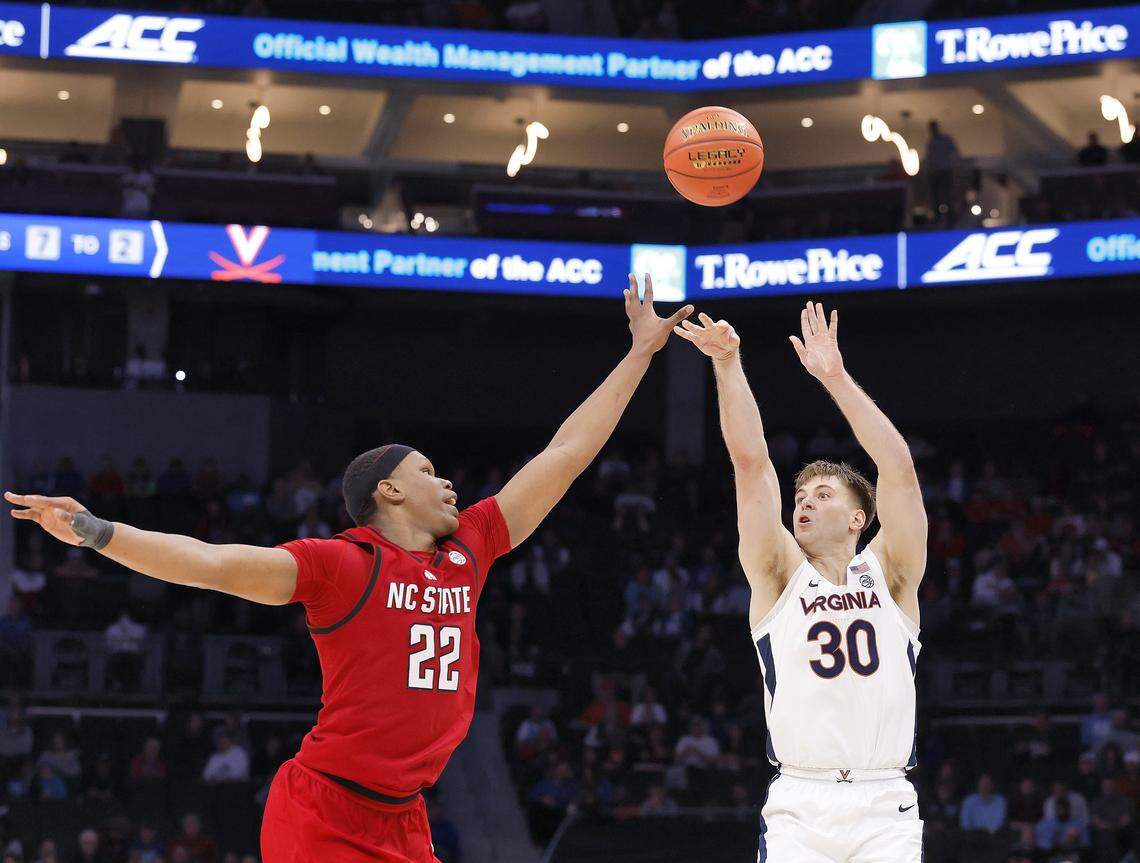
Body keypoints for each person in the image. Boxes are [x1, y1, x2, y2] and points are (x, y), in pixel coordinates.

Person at [5, 275, 692, 863]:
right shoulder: (341, 563)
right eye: (427, 470)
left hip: (404, 813)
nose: (449, 482)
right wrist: (97, 530)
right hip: (325, 809)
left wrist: (639, 353)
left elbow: (567, 452)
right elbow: (211, 564)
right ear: (387, 491)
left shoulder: (471, 547)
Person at [674, 301, 927, 862]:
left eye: (823, 496)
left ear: (860, 518)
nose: (805, 505)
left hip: (885, 803)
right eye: (801, 498)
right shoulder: (779, 576)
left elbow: (899, 468)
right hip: (800, 805)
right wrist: (728, 363)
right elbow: (750, 463)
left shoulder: (892, 572)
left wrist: (834, 378)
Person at [925, 121, 960, 224]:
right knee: (936, 197)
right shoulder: (930, 143)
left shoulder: (946, 140)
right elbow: (929, 159)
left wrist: (955, 167)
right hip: (935, 173)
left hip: (945, 172)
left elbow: (955, 153)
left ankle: (950, 219)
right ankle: (938, 218)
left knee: (948, 196)